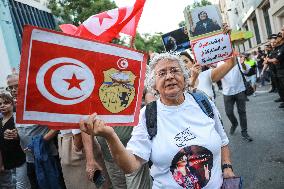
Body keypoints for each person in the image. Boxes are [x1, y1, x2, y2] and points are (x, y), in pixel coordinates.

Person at [80, 52, 235, 188]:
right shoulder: (147, 115)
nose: (169, 76)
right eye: (162, 73)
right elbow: (130, 165)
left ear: (185, 77)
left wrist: (227, 167)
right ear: (153, 84)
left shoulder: (203, 101)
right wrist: (110, 136)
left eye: (175, 70)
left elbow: (222, 140)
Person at [6, 74, 66, 189]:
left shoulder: (39, 103)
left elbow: (58, 125)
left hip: (48, 158)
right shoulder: (15, 108)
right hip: (30, 160)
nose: (13, 90)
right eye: (11, 87)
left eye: (16, 86)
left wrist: (41, 141)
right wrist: (15, 135)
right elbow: (25, 131)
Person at [217, 55, 254, 142]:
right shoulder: (220, 63)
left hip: (240, 90)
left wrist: (243, 63)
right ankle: (234, 123)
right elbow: (217, 77)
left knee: (242, 112)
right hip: (227, 92)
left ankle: (244, 132)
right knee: (228, 112)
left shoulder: (237, 59)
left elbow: (246, 70)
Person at [0, 93, 30, 189]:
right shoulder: (0, 121)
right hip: (6, 161)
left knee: (21, 185)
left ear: (13, 104)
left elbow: (26, 137)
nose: (2, 105)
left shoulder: (18, 119)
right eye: (0, 104)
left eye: (6, 103)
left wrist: (17, 135)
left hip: (20, 159)